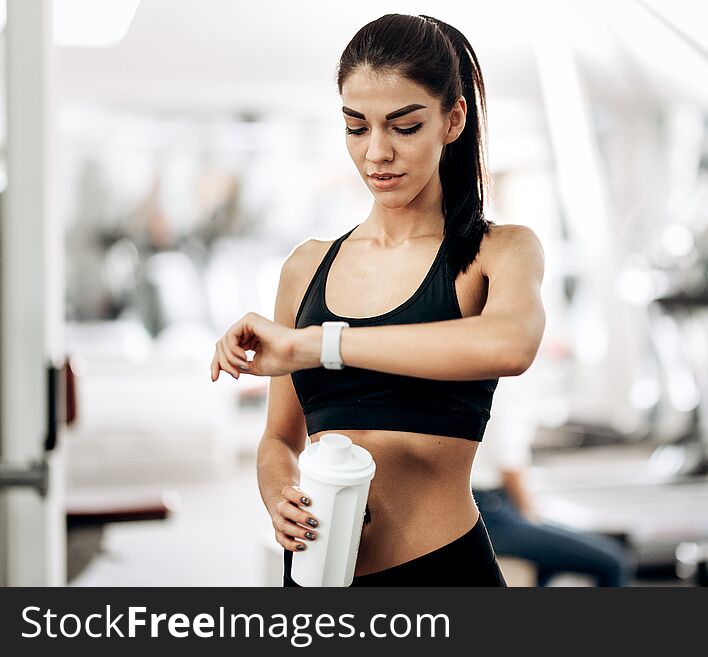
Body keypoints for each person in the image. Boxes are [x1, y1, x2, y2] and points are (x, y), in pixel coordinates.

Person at [209, 14, 545, 586]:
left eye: (404, 126)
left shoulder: (498, 251)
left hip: (442, 575)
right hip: (318, 580)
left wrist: (318, 345)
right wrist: (277, 492)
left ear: (452, 120)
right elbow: (278, 439)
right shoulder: (306, 267)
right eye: (356, 127)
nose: (377, 153)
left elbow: (510, 343)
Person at [472, 370, 635, 587]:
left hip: (489, 506)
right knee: (613, 561)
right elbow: (509, 465)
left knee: (549, 563)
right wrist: (531, 515)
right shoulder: (506, 387)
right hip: (492, 514)